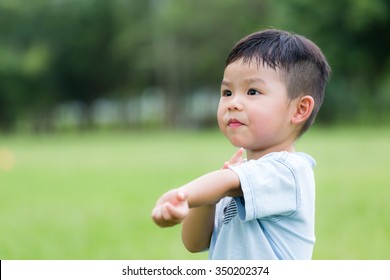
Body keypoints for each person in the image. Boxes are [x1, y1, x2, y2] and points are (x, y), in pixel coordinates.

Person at [151, 29, 331, 259]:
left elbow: (225, 182)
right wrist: (207, 200)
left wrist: (182, 195)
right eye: (227, 92)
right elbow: (194, 243)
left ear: (299, 109)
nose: (233, 103)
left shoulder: (290, 171)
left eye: (252, 91)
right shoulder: (238, 178)